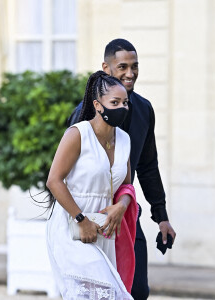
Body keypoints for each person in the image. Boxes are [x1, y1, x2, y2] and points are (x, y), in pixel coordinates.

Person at [67, 38, 176, 300]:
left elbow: (148, 166)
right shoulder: (82, 116)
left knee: (137, 291)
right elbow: (63, 177)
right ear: (106, 68)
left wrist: (161, 216)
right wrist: (79, 219)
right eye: (123, 66)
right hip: (90, 216)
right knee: (94, 293)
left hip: (126, 213)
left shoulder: (144, 110)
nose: (130, 73)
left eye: (135, 66)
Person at [46, 70, 136, 299]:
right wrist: (81, 220)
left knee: (103, 293)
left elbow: (126, 185)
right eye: (114, 102)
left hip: (105, 227)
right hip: (71, 223)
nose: (122, 108)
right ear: (98, 105)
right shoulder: (78, 134)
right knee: (98, 289)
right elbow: (54, 181)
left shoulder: (124, 140)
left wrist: (121, 206)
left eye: (125, 102)